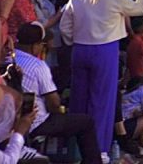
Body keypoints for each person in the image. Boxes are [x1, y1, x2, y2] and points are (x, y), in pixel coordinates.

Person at [60, 0, 143, 160]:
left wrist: (74, 41)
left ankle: (74, 148)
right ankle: (99, 150)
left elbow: (64, 27)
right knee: (101, 102)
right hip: (105, 52)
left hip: (80, 50)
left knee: (79, 100)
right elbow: (139, 9)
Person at [13, 21, 102, 164]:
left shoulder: (7, 59)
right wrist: (60, 112)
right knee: (86, 122)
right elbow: (54, 102)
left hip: (12, 122)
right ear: (35, 45)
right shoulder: (38, 65)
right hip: (36, 122)